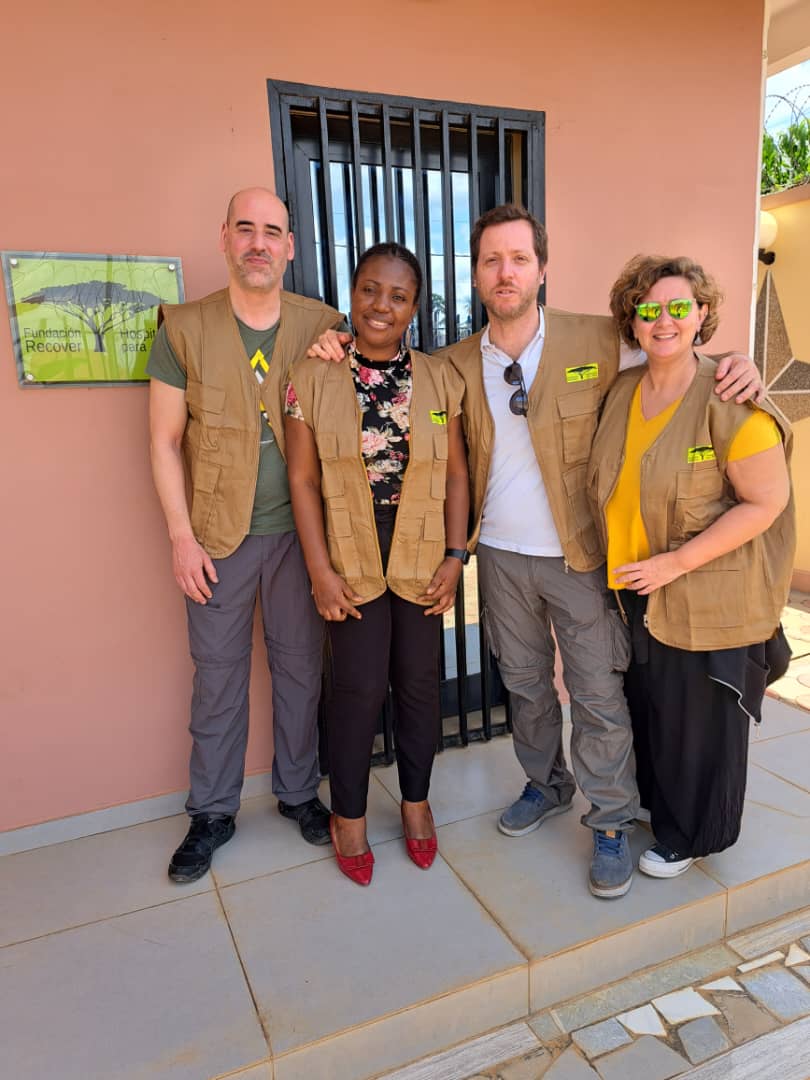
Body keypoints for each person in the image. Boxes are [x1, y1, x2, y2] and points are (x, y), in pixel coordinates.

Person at [308, 204, 763, 899]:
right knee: (523, 685)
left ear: (541, 268)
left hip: (578, 556)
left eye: (519, 258)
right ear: (477, 274)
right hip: (498, 555)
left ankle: (609, 819)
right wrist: (332, 340)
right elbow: (386, 374)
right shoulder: (455, 362)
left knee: (596, 691)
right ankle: (546, 783)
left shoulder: (599, 337)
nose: (505, 272)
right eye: (491, 260)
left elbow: (682, 357)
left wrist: (745, 370)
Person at [148, 187, 345, 883]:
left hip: (302, 538)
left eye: (272, 231)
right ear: (225, 239)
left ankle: (298, 794)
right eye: (245, 229)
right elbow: (165, 442)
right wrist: (180, 537)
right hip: (215, 540)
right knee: (219, 681)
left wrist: (342, 347)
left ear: (290, 245)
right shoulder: (183, 327)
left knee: (300, 670)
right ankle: (211, 812)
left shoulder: (324, 322)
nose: (258, 243)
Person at [588, 255, 794, 877]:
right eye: (649, 310)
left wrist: (676, 562)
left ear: (702, 313)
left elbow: (766, 502)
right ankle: (660, 808)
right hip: (636, 589)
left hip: (703, 589)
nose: (664, 321)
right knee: (655, 708)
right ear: (633, 320)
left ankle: (692, 835)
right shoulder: (623, 390)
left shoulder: (728, 395)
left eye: (679, 307)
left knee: (699, 721)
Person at [284, 242, 468, 886]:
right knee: (359, 690)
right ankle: (351, 816)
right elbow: (303, 482)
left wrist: (456, 554)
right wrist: (319, 570)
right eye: (370, 289)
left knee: (420, 686)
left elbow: (457, 473)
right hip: (349, 546)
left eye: (398, 295)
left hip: (421, 546)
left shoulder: (443, 378)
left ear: (415, 307)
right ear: (352, 293)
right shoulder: (311, 377)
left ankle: (416, 806)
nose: (381, 305)